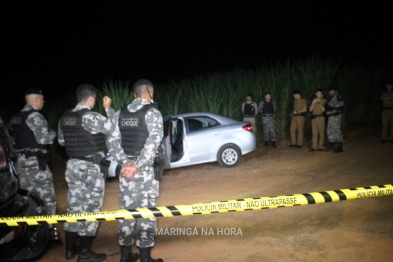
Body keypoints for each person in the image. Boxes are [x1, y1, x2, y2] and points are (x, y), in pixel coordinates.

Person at [107, 79, 164, 262]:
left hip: (126, 174)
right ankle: (145, 258)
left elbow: (111, 142)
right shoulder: (153, 113)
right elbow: (153, 144)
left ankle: (125, 257)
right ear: (151, 93)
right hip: (144, 172)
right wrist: (137, 165)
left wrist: (125, 163)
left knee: (126, 212)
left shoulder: (119, 113)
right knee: (146, 214)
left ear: (134, 94)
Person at [58, 84, 116, 262]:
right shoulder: (91, 117)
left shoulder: (64, 118)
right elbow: (113, 129)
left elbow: (61, 142)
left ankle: (70, 251)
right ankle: (84, 252)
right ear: (91, 98)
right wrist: (109, 109)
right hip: (90, 168)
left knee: (75, 206)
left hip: (72, 166)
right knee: (92, 209)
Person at [10, 87, 59, 240]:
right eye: (42, 99)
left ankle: (32, 232)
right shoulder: (35, 116)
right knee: (47, 197)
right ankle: (49, 232)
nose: (43, 102)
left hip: (21, 163)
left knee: (28, 196)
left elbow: (12, 141)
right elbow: (45, 139)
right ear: (37, 100)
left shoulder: (15, 118)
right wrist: (53, 132)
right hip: (36, 164)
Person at [325, 87, 344, 153]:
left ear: (335, 91)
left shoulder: (338, 96)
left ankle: (339, 146)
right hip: (331, 116)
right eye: (329, 91)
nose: (330, 92)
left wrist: (331, 104)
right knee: (329, 130)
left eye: (331, 91)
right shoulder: (332, 97)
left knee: (336, 130)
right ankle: (331, 145)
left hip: (336, 116)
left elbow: (341, 104)